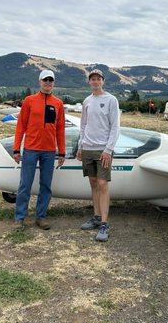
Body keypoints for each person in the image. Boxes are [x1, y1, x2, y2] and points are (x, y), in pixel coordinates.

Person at [12, 69, 66, 230]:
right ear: (39, 82)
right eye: (45, 80)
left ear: (53, 83)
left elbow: (60, 130)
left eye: (51, 80)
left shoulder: (58, 103)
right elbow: (20, 126)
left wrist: (61, 152)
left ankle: (40, 217)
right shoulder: (29, 101)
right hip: (30, 149)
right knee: (25, 185)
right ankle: (19, 218)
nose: (48, 83)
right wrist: (16, 149)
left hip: (49, 151)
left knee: (46, 185)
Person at [77, 69, 120, 242]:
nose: (95, 82)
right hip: (87, 148)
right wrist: (80, 145)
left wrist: (108, 150)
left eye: (98, 79)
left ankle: (104, 223)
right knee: (93, 182)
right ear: (89, 82)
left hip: (103, 149)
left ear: (103, 81)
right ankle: (95, 217)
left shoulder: (111, 100)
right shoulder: (87, 101)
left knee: (102, 184)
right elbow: (83, 125)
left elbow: (115, 127)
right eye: (92, 79)